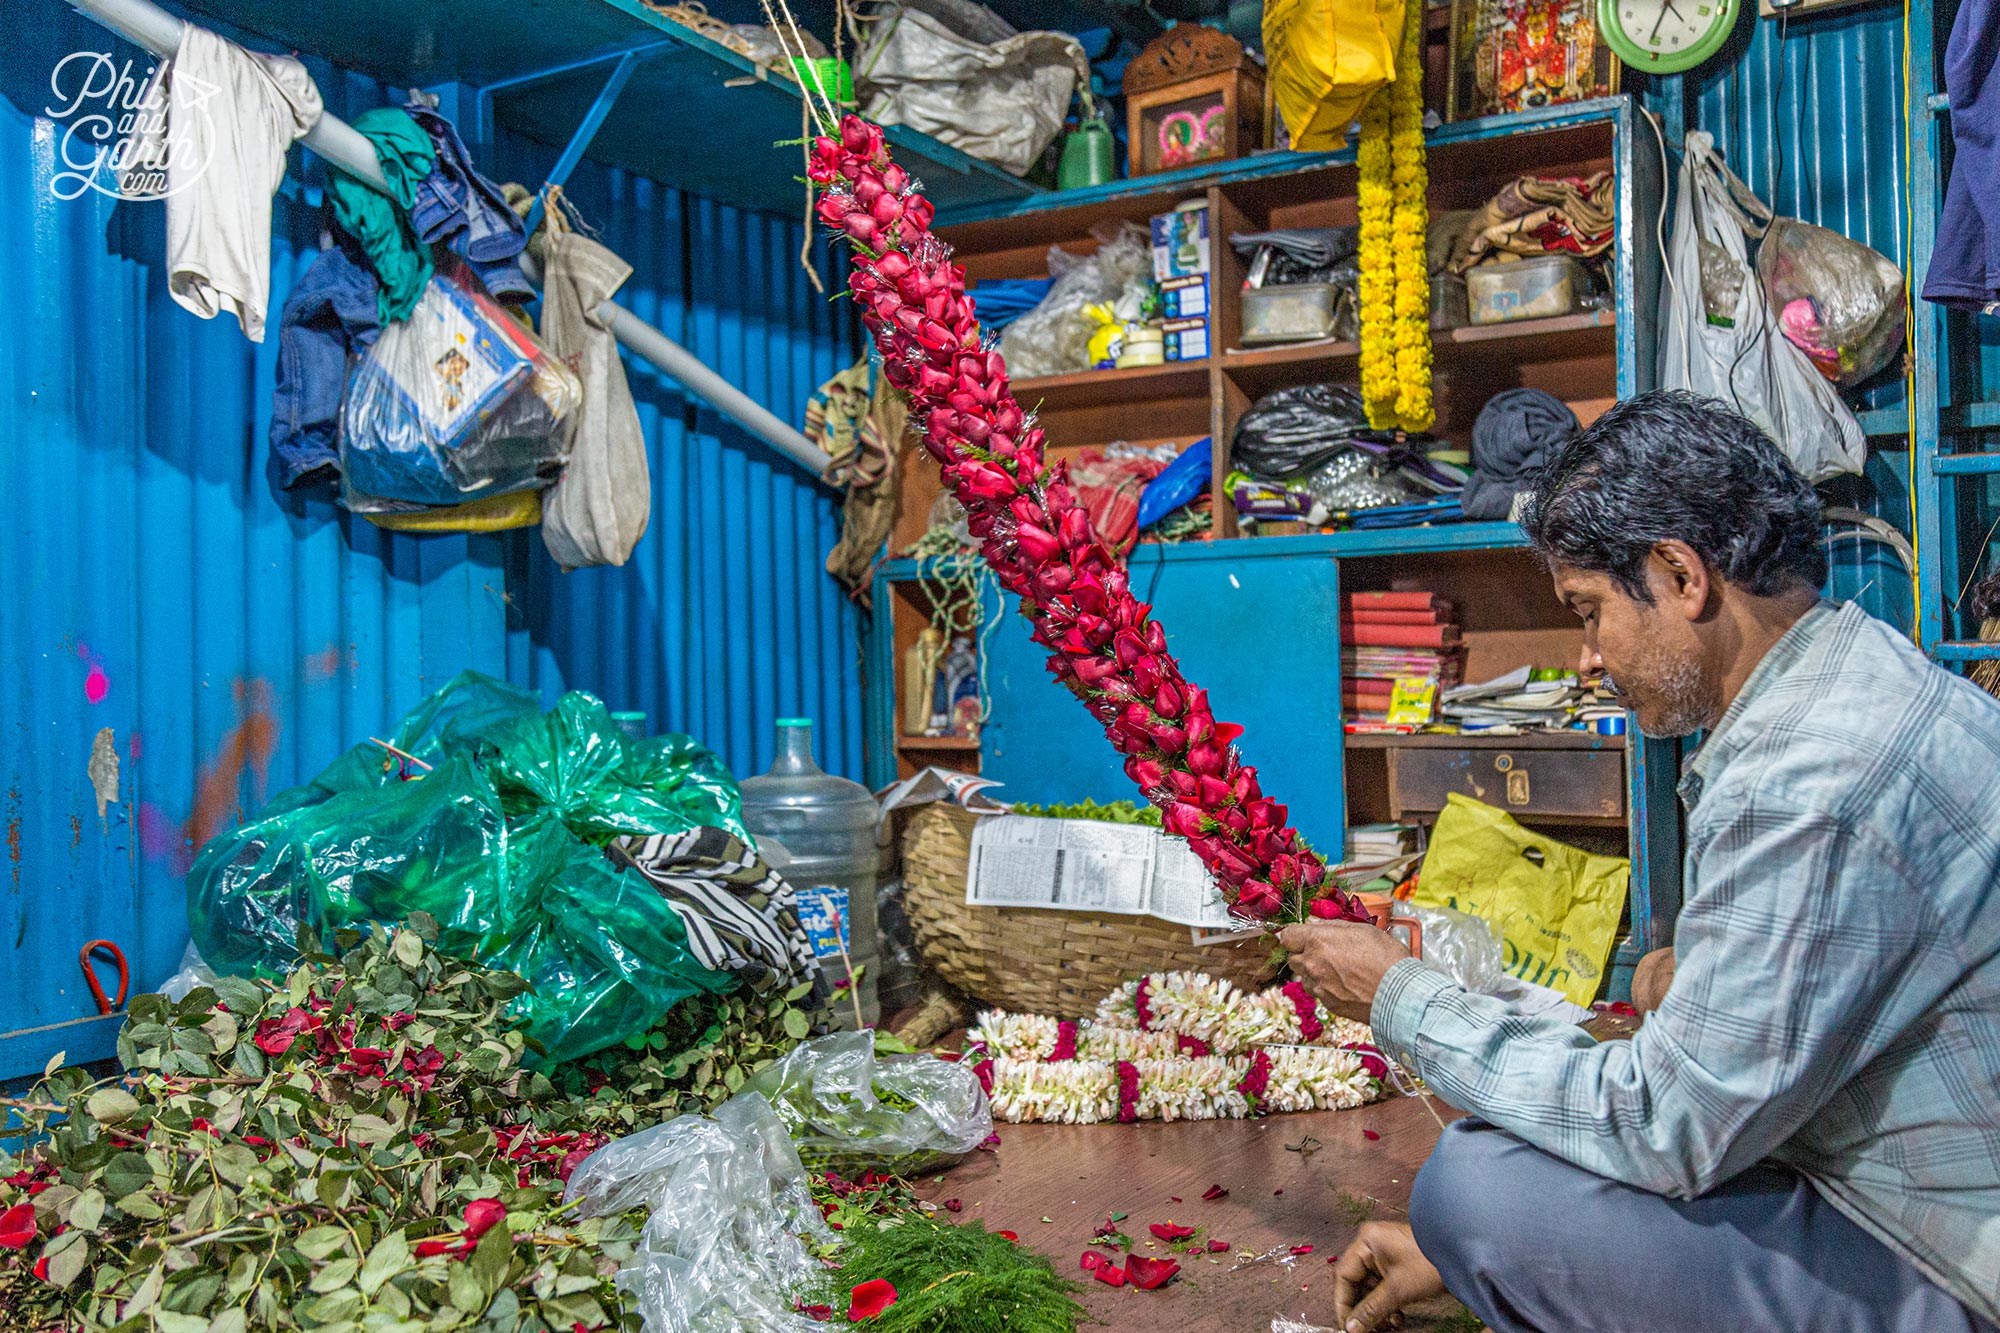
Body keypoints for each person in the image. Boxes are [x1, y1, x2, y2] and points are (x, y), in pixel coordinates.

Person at [1281, 391, 2000, 1333]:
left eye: (1590, 611)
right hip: (1904, 1193)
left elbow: (1665, 1123)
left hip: (1947, 1266)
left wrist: (1399, 994)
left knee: (1475, 1187)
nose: (1588, 657)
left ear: (1679, 576)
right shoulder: (1863, 680)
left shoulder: (1812, 777)